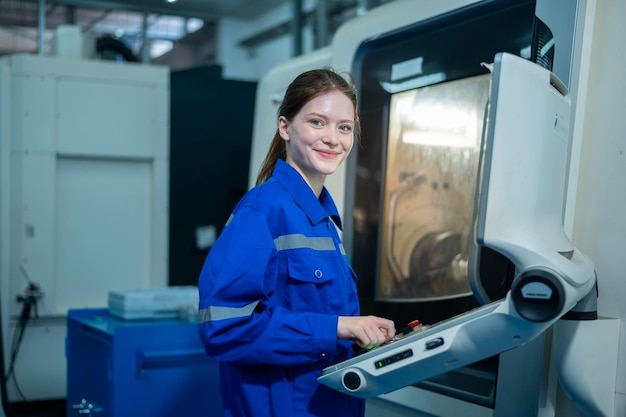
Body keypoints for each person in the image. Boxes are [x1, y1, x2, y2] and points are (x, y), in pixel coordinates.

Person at [197, 68, 396, 417]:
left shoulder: (323, 220)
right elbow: (223, 329)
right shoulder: (263, 211)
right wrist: (338, 327)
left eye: (344, 127)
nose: (333, 138)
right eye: (317, 122)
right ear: (285, 127)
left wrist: (361, 334)